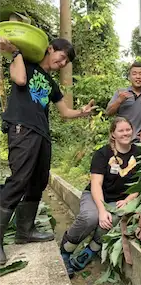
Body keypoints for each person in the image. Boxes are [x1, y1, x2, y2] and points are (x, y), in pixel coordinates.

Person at [0, 37, 97, 265]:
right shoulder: (28, 66)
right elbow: (20, 79)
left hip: (42, 134)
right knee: (19, 181)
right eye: (61, 57)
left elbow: (64, 112)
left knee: (38, 181)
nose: (62, 63)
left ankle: (25, 231)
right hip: (22, 128)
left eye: (66, 62)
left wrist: (82, 112)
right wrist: (16, 53)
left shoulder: (51, 85)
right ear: (50, 49)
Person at [60, 117, 140, 278]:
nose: (125, 133)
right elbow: (96, 184)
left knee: (115, 218)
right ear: (113, 134)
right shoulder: (103, 154)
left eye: (128, 130)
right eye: (121, 130)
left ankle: (90, 250)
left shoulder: (140, 153)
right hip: (95, 195)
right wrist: (102, 210)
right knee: (91, 217)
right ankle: (65, 252)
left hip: (120, 199)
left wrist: (128, 199)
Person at [106, 62, 141, 142]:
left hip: (140, 142)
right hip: (121, 141)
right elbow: (108, 113)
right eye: (134, 74)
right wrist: (119, 101)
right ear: (129, 77)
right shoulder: (121, 93)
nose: (138, 77)